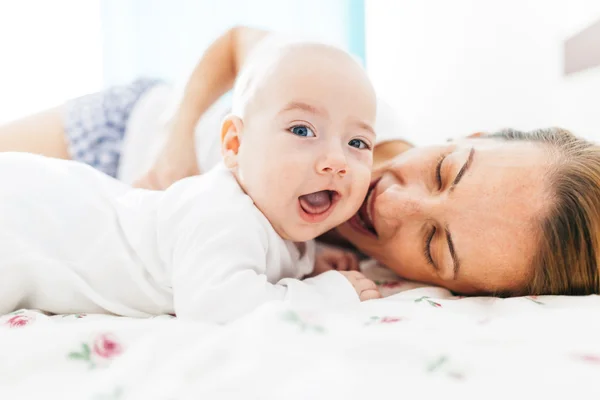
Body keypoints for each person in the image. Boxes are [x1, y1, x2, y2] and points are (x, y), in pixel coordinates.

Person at [2, 26, 600, 297]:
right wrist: (174, 144)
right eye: (445, 170)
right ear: (473, 134)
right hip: (127, 130)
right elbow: (238, 41)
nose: (389, 201)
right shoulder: (357, 107)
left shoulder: (355, 267)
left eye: (434, 247)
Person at [0, 41, 382, 322]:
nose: (335, 160)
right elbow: (215, 303)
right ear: (234, 145)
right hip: (30, 217)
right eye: (302, 129)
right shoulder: (221, 211)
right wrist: (325, 295)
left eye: (357, 142)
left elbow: (264, 254)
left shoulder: (276, 216)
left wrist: (308, 259)